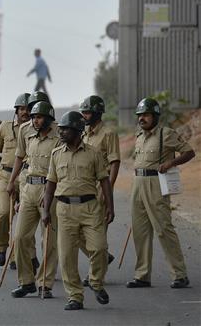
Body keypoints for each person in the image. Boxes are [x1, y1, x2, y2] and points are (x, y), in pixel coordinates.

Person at [43, 111, 114, 311]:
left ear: (77, 131)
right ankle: (75, 296)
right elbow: (50, 184)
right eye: (61, 128)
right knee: (67, 257)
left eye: (66, 129)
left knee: (99, 248)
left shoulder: (94, 154)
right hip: (64, 210)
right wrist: (46, 210)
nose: (61, 132)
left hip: (90, 208)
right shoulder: (56, 155)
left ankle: (96, 282)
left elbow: (104, 181)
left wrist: (110, 206)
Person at [127, 98, 195, 289]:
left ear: (155, 116)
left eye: (146, 115)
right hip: (137, 183)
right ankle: (142, 276)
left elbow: (189, 152)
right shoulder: (139, 136)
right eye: (140, 115)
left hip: (156, 183)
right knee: (140, 232)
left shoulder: (166, 134)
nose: (142, 118)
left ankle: (180, 274)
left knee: (164, 229)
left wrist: (171, 163)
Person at [7, 101, 60, 299]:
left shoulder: (58, 136)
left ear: (48, 118)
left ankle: (45, 284)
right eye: (33, 117)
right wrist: (13, 183)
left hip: (49, 189)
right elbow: (20, 159)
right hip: (28, 188)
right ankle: (26, 282)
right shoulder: (27, 134)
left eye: (38, 117)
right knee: (20, 237)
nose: (34, 121)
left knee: (49, 240)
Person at [0, 93, 31, 268]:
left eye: (29, 109)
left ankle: (16, 256)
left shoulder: (35, 129)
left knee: (25, 219)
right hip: (6, 176)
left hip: (27, 178)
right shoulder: (5, 127)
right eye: (22, 109)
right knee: (5, 213)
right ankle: (1, 247)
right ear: (17, 110)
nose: (25, 112)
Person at [79, 95, 120, 286]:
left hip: (99, 188)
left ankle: (95, 275)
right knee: (78, 232)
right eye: (83, 112)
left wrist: (107, 191)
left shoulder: (108, 134)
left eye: (87, 112)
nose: (84, 116)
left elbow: (114, 163)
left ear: (97, 113)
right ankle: (103, 258)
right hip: (82, 189)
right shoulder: (83, 133)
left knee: (97, 233)